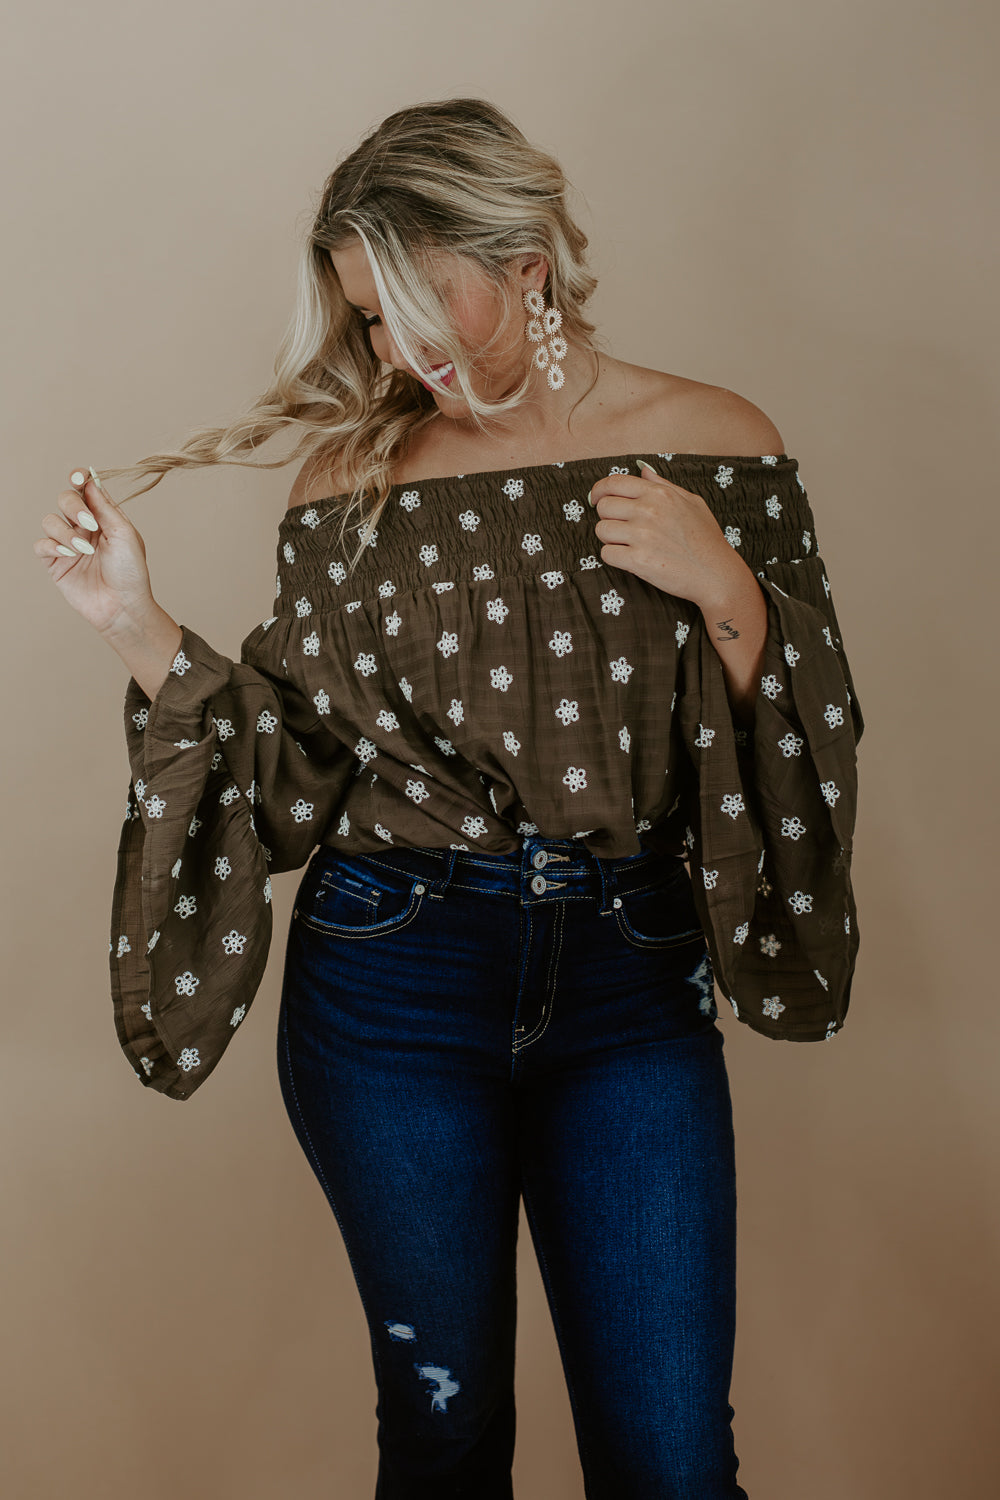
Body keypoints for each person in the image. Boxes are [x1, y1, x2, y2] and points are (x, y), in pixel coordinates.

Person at [34, 97, 863, 1499]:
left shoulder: (719, 445)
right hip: (393, 976)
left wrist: (722, 578)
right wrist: (134, 622)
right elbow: (294, 769)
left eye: (418, 308)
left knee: (670, 1459)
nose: (397, 352)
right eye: (370, 323)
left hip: (629, 977)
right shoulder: (353, 481)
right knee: (445, 1438)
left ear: (526, 264)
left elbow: (800, 731)